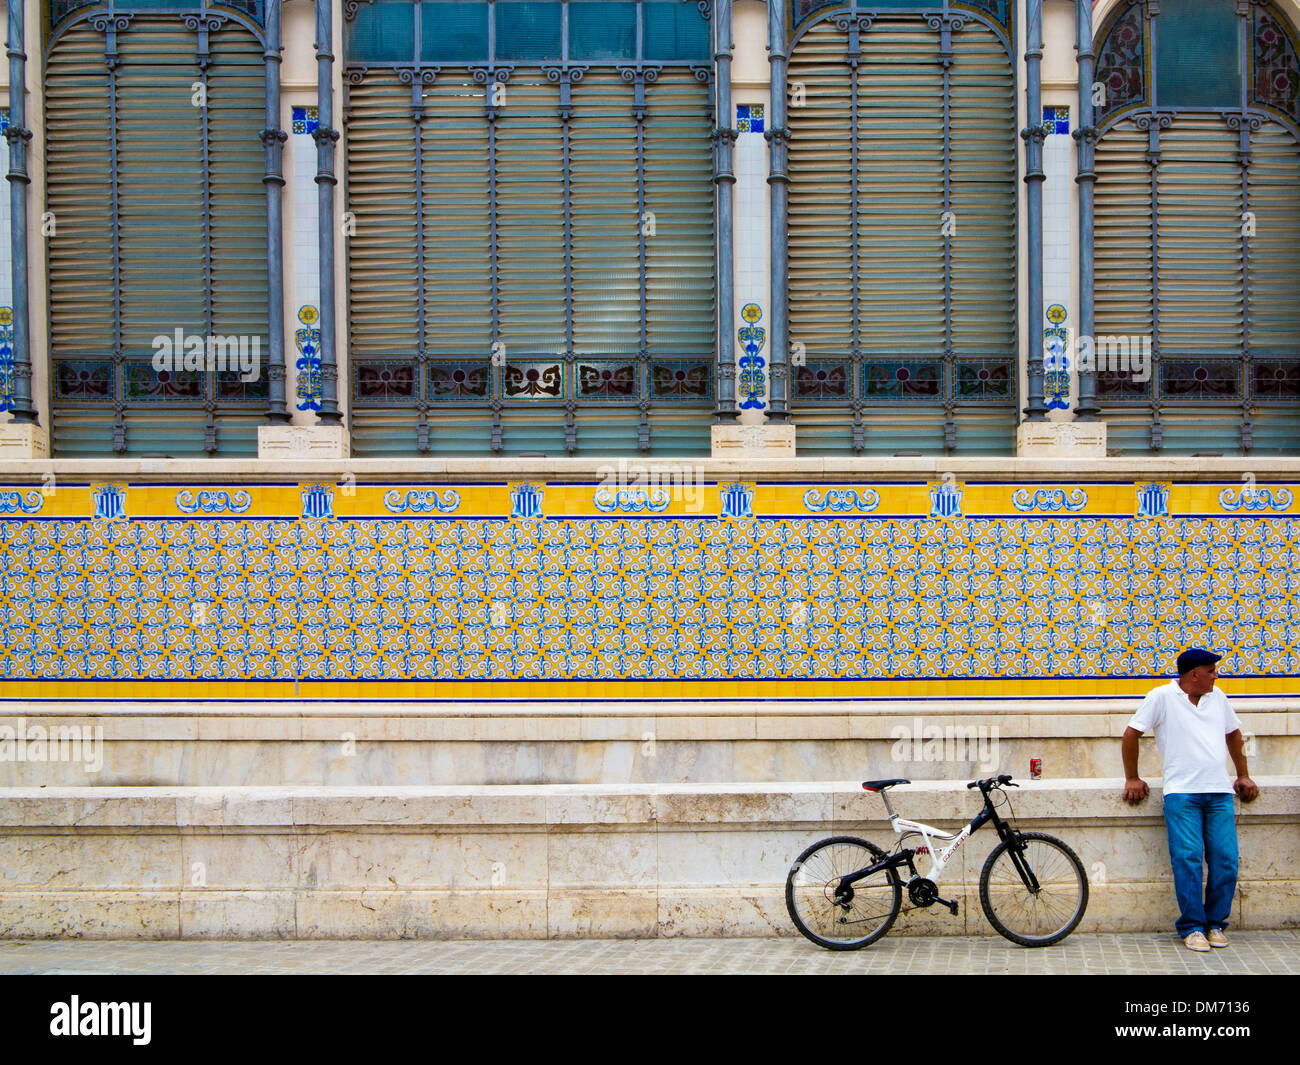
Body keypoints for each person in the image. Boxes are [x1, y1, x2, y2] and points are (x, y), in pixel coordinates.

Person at [1121, 648, 1259, 951]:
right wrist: (1132, 777)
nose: (1216, 675)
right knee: (1188, 859)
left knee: (1226, 860)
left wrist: (1243, 775)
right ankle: (1192, 926)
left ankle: (1215, 924)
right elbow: (1131, 734)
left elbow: (1233, 735)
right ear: (1194, 673)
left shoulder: (1218, 697)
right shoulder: (1161, 697)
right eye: (1211, 670)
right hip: (1181, 793)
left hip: (1219, 792)